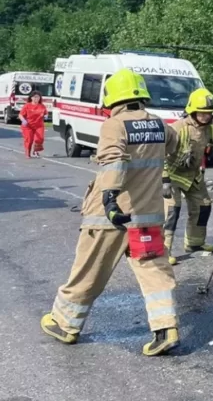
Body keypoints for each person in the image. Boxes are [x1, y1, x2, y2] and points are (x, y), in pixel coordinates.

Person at [40, 69, 181, 355]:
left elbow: (114, 161)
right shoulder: (159, 125)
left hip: (111, 218)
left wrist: (109, 199)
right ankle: (166, 328)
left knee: (89, 270)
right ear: (141, 95)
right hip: (148, 217)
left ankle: (65, 324)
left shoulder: (114, 125)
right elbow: (176, 148)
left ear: (113, 97)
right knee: (154, 271)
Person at [163, 88, 213, 265]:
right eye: (202, 112)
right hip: (172, 175)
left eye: (209, 113)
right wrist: (164, 180)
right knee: (172, 211)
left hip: (193, 175)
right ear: (192, 110)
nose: (205, 116)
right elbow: (160, 153)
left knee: (203, 206)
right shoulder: (177, 129)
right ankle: (164, 251)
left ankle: (194, 243)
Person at [19, 91, 46, 158]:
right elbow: (20, 115)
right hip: (28, 126)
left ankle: (35, 150)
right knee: (29, 139)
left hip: (39, 125)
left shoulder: (42, 106)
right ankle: (27, 153)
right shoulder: (27, 106)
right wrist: (23, 120)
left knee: (40, 138)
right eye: (35, 97)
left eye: (38, 97)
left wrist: (46, 116)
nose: (36, 98)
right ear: (31, 98)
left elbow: (45, 113)